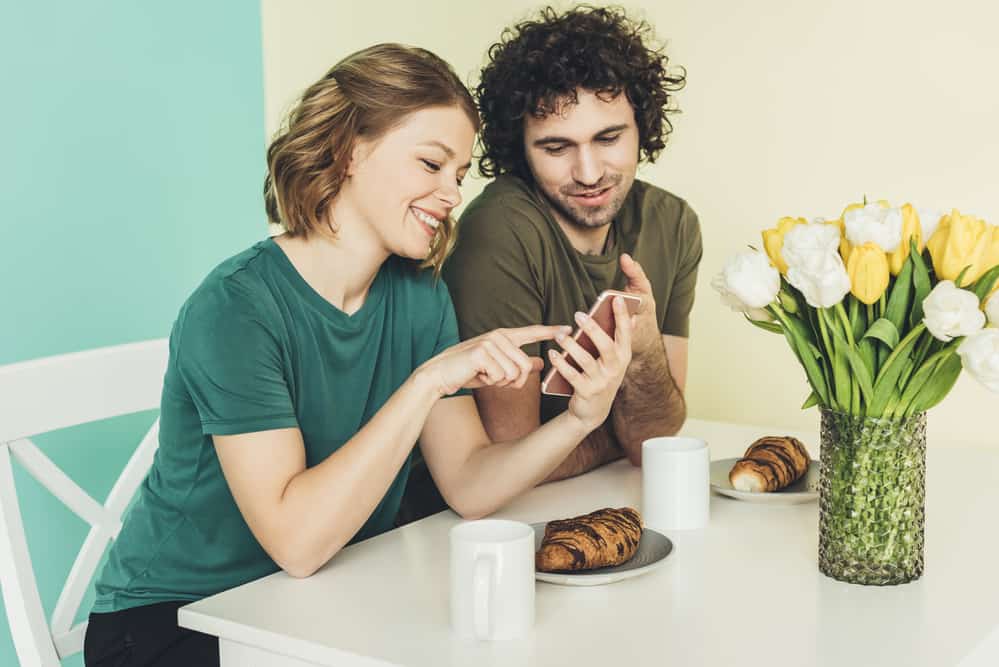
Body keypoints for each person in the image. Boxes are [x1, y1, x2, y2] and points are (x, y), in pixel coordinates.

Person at [84, 43, 632, 666]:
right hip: (171, 622)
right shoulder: (236, 308)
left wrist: (583, 416)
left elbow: (470, 485)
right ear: (350, 151)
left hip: (314, 603)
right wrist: (425, 382)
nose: (451, 194)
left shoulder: (419, 298)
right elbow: (297, 542)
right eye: (431, 163)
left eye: (459, 174)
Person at [399, 6, 701, 522]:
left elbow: (657, 437)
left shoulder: (671, 223)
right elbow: (511, 457)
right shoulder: (500, 230)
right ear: (520, 149)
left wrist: (645, 346)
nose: (589, 172)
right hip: (463, 530)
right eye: (557, 147)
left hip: (591, 503)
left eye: (608, 138)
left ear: (641, 126)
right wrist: (614, 431)